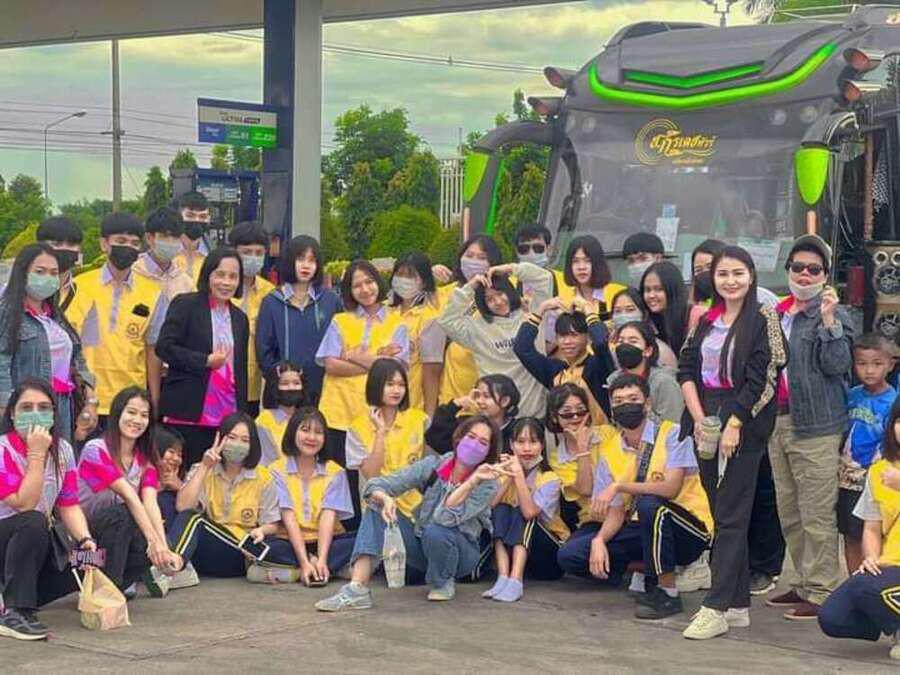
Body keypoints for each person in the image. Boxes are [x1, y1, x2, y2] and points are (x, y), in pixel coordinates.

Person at [678, 245, 787, 640]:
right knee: (721, 510)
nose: (730, 281)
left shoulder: (763, 317)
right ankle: (738, 603)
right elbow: (686, 369)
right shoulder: (706, 319)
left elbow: (765, 374)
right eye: (723, 274)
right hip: (705, 416)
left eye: (738, 273)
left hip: (743, 420)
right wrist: (699, 419)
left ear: (751, 276)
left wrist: (734, 423)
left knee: (731, 516)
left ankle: (716, 606)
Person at [314, 415, 503, 611]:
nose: (474, 445)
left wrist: (471, 482)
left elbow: (444, 518)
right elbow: (375, 485)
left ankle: (442, 581)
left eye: (483, 443)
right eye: (470, 437)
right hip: (423, 544)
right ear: (459, 438)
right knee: (375, 508)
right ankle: (357, 589)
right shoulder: (434, 465)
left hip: (460, 554)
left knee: (436, 529)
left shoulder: (488, 484)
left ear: (489, 452)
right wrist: (385, 499)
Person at [767, 234, 853, 620]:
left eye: (813, 269)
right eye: (798, 267)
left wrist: (829, 320)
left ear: (825, 275)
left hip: (817, 426)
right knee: (790, 511)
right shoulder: (776, 313)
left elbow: (838, 365)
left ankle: (822, 590)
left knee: (817, 513)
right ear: (788, 270)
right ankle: (803, 582)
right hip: (778, 422)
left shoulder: (835, 314)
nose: (805, 274)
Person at [587, 373, 712, 620]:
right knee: (577, 553)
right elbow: (615, 512)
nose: (626, 405)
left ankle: (667, 592)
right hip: (645, 525)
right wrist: (598, 540)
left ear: (647, 404)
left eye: (633, 399)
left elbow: (670, 489)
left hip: (690, 528)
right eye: (619, 401)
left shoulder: (673, 433)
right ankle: (647, 571)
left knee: (650, 505)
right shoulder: (609, 450)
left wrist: (620, 486)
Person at [0, 378, 95, 641]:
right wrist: (36, 454)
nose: (35, 414)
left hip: (33, 547)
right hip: (8, 538)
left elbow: (69, 504)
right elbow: (25, 504)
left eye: (43, 408)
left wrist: (85, 540)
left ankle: (24, 596)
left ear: (54, 414)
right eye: (26, 407)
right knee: (33, 520)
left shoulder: (63, 450)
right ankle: (16, 612)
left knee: (92, 558)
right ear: (12, 413)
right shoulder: (2, 450)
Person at [818, 398, 900, 661]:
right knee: (833, 617)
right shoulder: (880, 471)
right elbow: (872, 528)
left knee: (864, 588)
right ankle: (895, 625)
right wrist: (872, 558)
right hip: (892, 564)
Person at [65, 212, 168, 419]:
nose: (127, 247)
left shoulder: (154, 293)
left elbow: (153, 351)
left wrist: (155, 401)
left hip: (130, 404)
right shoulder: (77, 287)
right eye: (120, 241)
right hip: (83, 399)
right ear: (104, 244)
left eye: (134, 243)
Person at [77, 386, 178, 595]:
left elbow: (150, 502)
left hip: (114, 542)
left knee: (157, 535)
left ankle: (117, 584)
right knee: (125, 515)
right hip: (83, 548)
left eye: (144, 415)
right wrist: (153, 541)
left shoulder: (146, 460)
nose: (137, 420)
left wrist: (162, 546)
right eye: (131, 412)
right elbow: (129, 496)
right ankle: (106, 591)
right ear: (117, 414)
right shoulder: (95, 449)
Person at [156, 248, 250, 467]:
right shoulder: (186, 304)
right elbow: (164, 347)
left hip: (226, 414)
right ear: (208, 275)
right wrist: (204, 361)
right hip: (188, 411)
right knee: (181, 473)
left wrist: (242, 415)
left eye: (233, 277)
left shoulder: (240, 318)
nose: (226, 282)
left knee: (216, 476)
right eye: (220, 275)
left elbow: (241, 369)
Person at [315, 259, 409, 469]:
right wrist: (379, 359)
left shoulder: (397, 323)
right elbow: (331, 365)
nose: (365, 289)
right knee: (339, 476)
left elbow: (395, 371)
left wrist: (351, 356)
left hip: (375, 416)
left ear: (378, 282)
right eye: (357, 285)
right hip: (337, 414)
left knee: (372, 475)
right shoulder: (340, 321)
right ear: (349, 291)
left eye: (369, 282)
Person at [168, 412, 280, 580]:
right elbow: (183, 507)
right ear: (219, 439)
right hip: (207, 547)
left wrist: (261, 530)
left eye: (245, 440)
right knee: (190, 517)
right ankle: (176, 566)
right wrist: (205, 467)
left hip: (240, 552)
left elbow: (272, 524)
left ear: (253, 445)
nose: (237, 445)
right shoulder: (203, 468)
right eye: (231, 438)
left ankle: (171, 569)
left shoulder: (263, 478)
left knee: (195, 519)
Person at [0, 244, 94, 442]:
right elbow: (2, 363)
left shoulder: (55, 317)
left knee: (59, 458)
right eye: (40, 272)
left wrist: (90, 398)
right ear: (23, 273)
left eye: (53, 273)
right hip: (27, 408)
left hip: (61, 404)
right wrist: (5, 407)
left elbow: (77, 357)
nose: (48, 278)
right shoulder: (7, 313)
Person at [437, 263, 552, 418]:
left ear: (509, 291)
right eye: (489, 299)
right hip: (497, 418)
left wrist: (510, 269)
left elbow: (545, 279)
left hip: (536, 415)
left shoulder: (533, 313)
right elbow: (447, 320)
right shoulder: (476, 328)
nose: (498, 302)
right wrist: (470, 288)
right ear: (482, 303)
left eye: (500, 293)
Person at [261, 407, 356, 585]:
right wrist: (305, 561)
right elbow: (288, 518)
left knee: (362, 540)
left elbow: (328, 517)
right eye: (305, 430)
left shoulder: (335, 471)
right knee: (265, 547)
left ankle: (313, 567)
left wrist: (322, 558)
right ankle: (321, 568)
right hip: (288, 541)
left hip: (327, 541)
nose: (312, 437)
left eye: (318, 432)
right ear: (292, 432)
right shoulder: (276, 470)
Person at [485, 417, 568, 602]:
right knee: (502, 509)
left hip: (549, 555)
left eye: (533, 442)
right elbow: (489, 508)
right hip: (516, 551)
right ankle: (503, 577)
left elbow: (530, 512)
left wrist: (519, 477)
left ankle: (516, 580)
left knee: (522, 511)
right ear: (511, 445)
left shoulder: (550, 478)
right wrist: (509, 476)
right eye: (520, 442)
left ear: (542, 445)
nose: (527, 448)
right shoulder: (503, 472)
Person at [255, 235, 341, 407]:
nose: (306, 265)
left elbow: (340, 344)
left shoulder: (330, 301)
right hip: (285, 393)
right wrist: (283, 376)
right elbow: (264, 351)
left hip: (324, 391)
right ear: (289, 261)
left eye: (312, 260)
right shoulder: (272, 302)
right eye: (301, 259)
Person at [345, 358, 429, 530]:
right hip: (378, 509)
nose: (396, 390)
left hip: (416, 509)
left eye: (401, 385)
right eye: (390, 384)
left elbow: (432, 467)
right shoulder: (357, 428)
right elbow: (371, 475)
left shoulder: (420, 420)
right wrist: (380, 432)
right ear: (376, 385)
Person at [839, 334, 897, 574]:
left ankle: (878, 579)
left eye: (877, 363)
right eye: (862, 363)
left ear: (890, 364)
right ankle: (854, 581)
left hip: (877, 476)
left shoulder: (894, 401)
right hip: (847, 476)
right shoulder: (852, 395)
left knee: (875, 529)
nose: (869, 370)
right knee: (850, 532)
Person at [513, 296, 614, 424]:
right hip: (565, 435)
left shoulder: (598, 365)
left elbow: (600, 342)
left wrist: (588, 309)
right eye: (562, 336)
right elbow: (522, 348)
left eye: (573, 335)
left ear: (588, 337)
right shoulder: (555, 370)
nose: (567, 342)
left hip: (605, 434)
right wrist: (541, 310)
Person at [434, 235, 503, 406]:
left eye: (482, 257)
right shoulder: (444, 293)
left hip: (489, 387)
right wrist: (427, 277)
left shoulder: (500, 295)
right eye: (469, 255)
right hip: (452, 384)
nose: (474, 262)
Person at [546, 383, 605, 551]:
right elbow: (586, 489)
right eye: (567, 413)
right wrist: (582, 450)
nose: (575, 417)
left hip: (624, 510)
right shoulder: (556, 458)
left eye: (580, 410)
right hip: (594, 519)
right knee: (568, 554)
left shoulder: (607, 434)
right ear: (555, 417)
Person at [228, 222, 275, 417]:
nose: (253, 258)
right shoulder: (222, 288)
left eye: (259, 253)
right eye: (246, 252)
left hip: (254, 386)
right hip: (222, 381)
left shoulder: (270, 293)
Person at [387, 252, 444, 415]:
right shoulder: (383, 310)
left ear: (424, 281)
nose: (403, 280)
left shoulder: (430, 319)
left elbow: (431, 372)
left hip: (410, 405)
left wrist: (429, 415)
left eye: (410, 276)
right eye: (399, 274)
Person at [607, 321, 684, 423]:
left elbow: (673, 423)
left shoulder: (663, 381)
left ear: (648, 351)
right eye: (621, 341)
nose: (625, 346)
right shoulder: (613, 379)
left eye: (633, 341)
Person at [426, 374, 520, 455]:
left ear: (505, 401)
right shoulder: (467, 424)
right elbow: (435, 439)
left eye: (486, 396)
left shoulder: (517, 431)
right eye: (477, 395)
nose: (479, 401)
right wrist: (455, 405)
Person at [689, 239, 779, 316]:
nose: (730, 281)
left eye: (710, 267)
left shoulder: (763, 299)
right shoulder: (698, 307)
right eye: (698, 270)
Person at [133, 207, 194, 302]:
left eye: (175, 237)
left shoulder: (186, 283)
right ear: (149, 238)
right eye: (164, 236)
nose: (170, 242)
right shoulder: (131, 275)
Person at [557, 235, 626, 318]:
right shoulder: (563, 299)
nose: (581, 267)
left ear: (598, 263)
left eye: (587, 261)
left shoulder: (619, 294)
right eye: (575, 261)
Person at [609, 288, 677, 369]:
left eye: (630, 310)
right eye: (617, 311)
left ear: (644, 314)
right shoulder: (613, 349)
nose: (623, 315)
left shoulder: (661, 350)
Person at [256, 361, 305, 465]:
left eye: (296, 383)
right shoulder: (263, 421)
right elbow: (265, 461)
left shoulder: (308, 418)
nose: (291, 387)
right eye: (285, 384)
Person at [640, 260, 691, 356]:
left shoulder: (695, 315)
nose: (651, 295)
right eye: (647, 290)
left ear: (673, 289)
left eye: (658, 289)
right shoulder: (650, 321)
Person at [35, 215, 83, 312]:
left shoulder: (86, 293)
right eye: (56, 244)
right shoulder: (17, 292)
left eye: (71, 245)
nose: (64, 249)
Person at [513, 223, 566, 293]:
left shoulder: (565, 282)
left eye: (538, 248)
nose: (531, 254)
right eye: (524, 249)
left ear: (549, 250)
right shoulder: (509, 284)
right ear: (517, 252)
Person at [172, 191, 212, 284]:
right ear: (178, 216)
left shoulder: (212, 255)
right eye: (190, 216)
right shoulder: (167, 252)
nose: (197, 220)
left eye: (203, 216)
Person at [155, 425, 185, 527]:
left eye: (179, 455)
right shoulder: (139, 472)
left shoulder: (183, 480)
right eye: (171, 452)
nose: (176, 458)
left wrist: (181, 487)